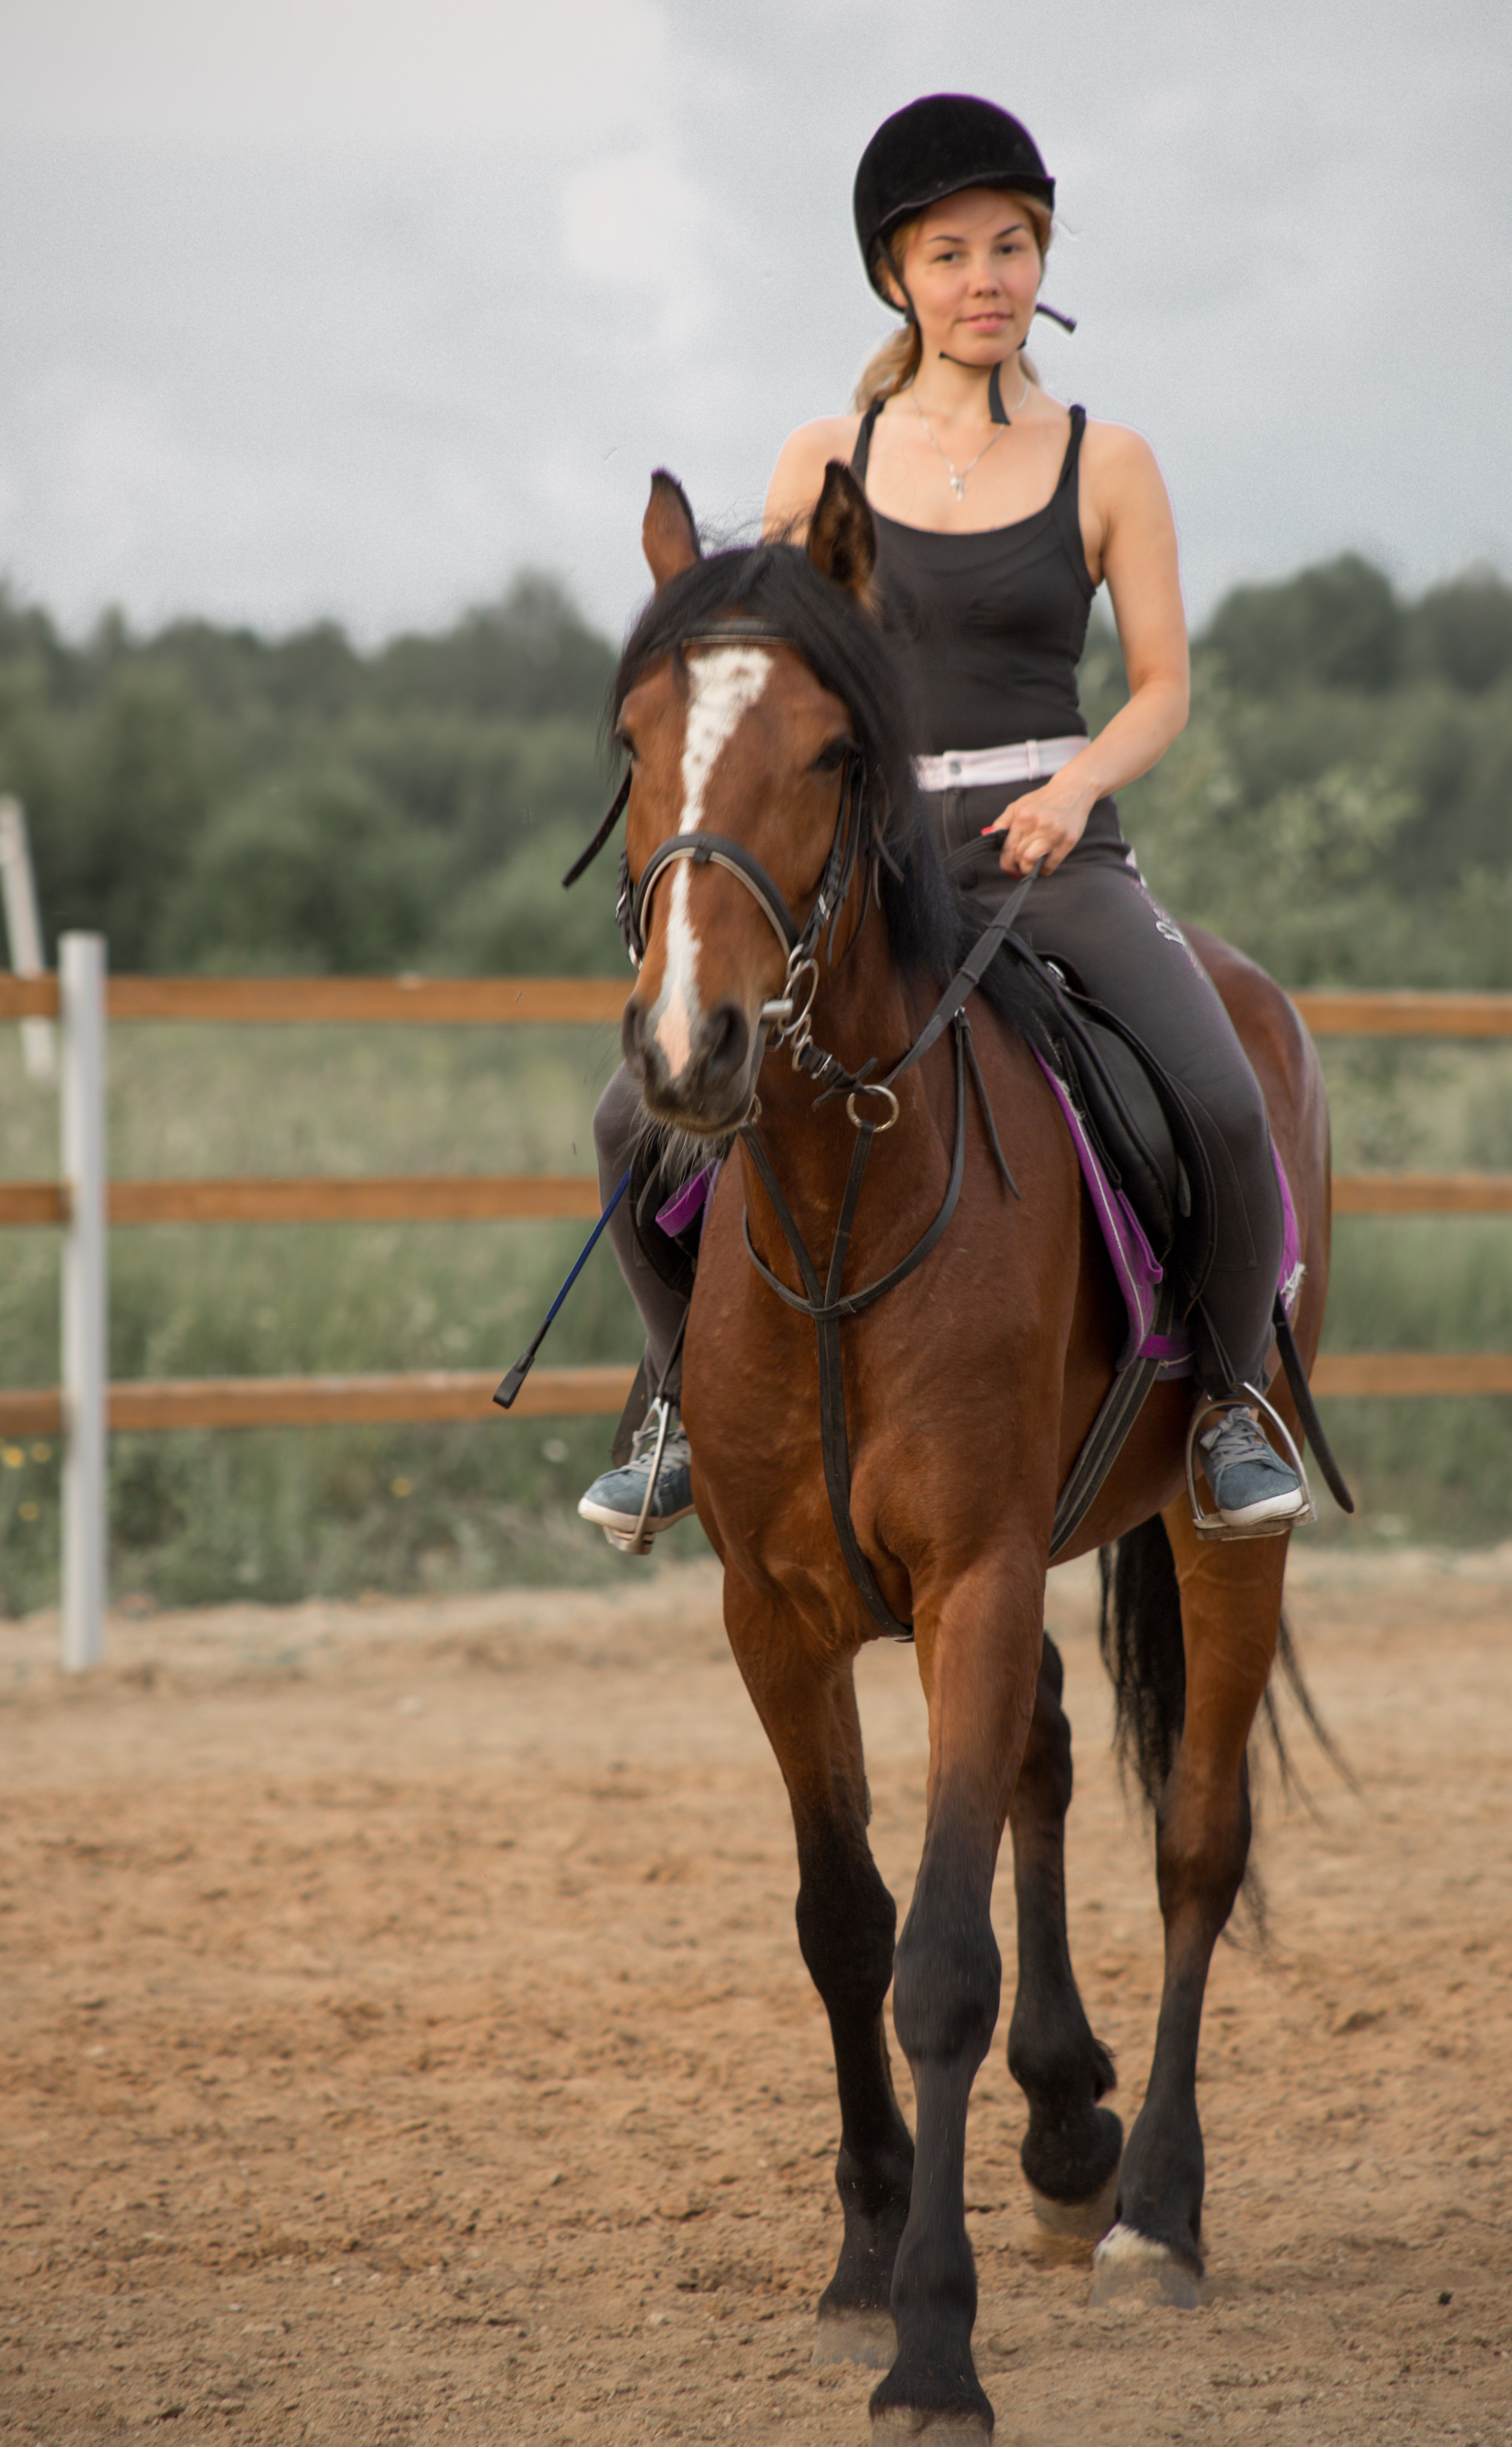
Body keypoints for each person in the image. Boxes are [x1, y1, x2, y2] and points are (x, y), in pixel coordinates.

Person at [578, 91, 1305, 1546]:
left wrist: (1079, 785)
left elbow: (1161, 687)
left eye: (1014, 247)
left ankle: (1228, 1399)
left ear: (1043, 265)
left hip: (1053, 850)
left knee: (1224, 1099)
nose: (987, 280)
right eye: (952, 253)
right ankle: (671, 1397)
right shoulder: (819, 458)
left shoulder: (1108, 463)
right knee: (629, 1122)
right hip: (871, 858)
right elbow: (767, 682)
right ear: (897, 277)